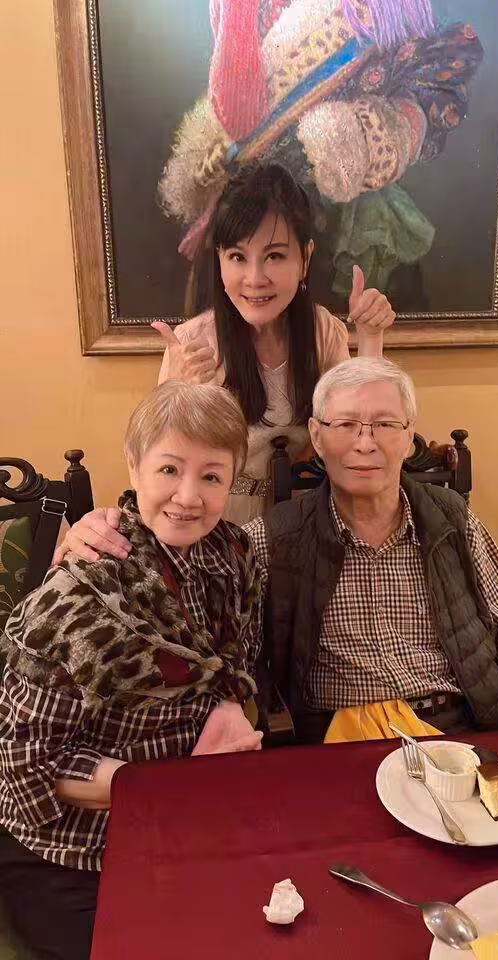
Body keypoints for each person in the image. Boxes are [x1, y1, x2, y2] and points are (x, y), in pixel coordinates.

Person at [61, 359, 498, 746]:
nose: (365, 443)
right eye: (346, 424)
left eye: (385, 424)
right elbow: (180, 554)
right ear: (316, 435)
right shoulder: (271, 539)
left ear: (408, 434)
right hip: (339, 739)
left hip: (462, 726)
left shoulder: (450, 518)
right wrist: (99, 529)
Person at [0, 381, 263, 960]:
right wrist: (160, 787)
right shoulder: (76, 597)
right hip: (73, 848)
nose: (188, 497)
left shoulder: (231, 556)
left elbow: (233, 664)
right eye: (169, 469)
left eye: (212, 476)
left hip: (190, 817)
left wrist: (226, 710)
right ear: (133, 465)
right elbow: (23, 766)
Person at [159, 0, 483, 309]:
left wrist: (367, 135)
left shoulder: (393, 10)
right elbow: (239, 116)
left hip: (338, 218)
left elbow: (430, 90)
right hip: (247, 214)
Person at [153, 162, 395, 524]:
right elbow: (159, 473)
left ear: (305, 258)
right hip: (218, 527)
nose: (254, 278)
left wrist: (371, 338)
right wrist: (182, 397)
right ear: (219, 259)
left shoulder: (323, 331)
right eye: (237, 257)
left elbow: (358, 432)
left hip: (306, 522)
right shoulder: (190, 343)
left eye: (275, 256)